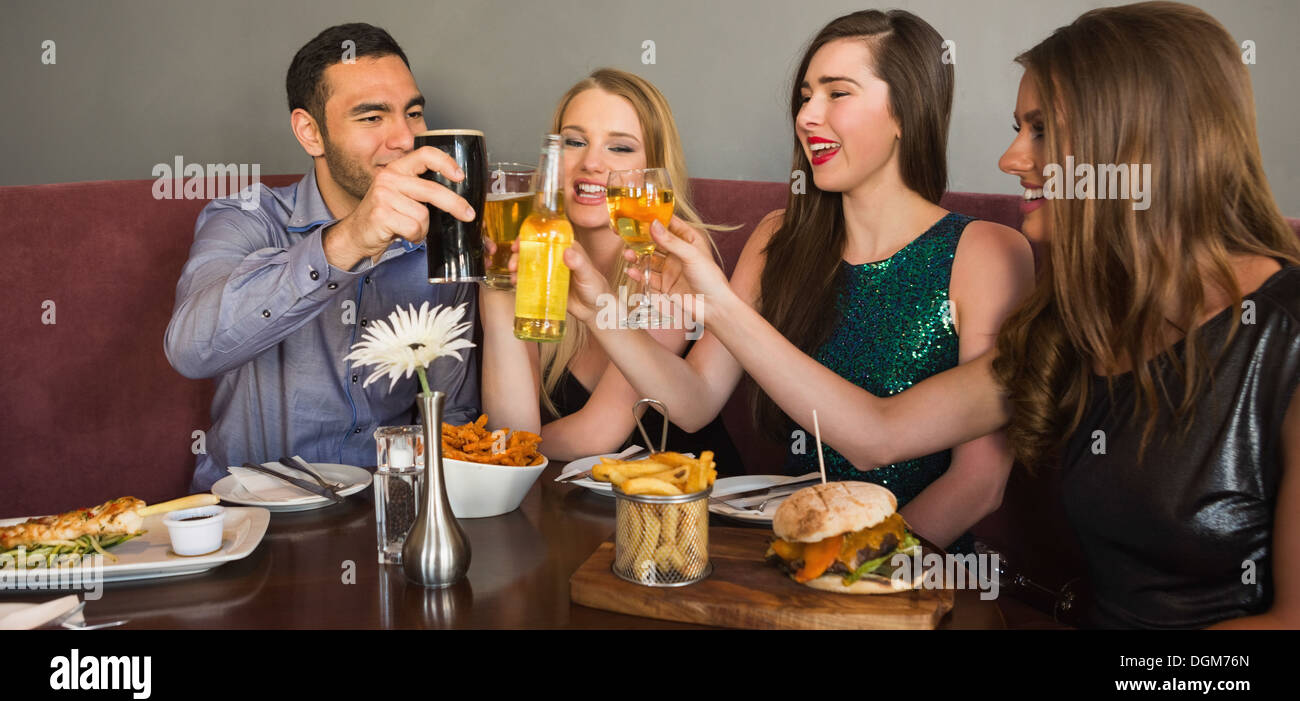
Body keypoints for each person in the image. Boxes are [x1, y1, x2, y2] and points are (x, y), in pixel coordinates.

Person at [604, 2, 1300, 629]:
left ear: (1137, 144)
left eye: (1040, 130)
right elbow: (880, 432)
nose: (1009, 158)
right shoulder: (1080, 323)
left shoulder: (1282, 332)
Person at [558, 11, 1036, 552]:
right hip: (786, 546)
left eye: (837, 93)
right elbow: (692, 404)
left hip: (913, 563)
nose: (807, 115)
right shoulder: (777, 238)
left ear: (906, 108)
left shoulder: (988, 252)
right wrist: (602, 310)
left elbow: (979, 484)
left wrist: (854, 569)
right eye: (806, 96)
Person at [165, 23, 481, 492]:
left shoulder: (443, 234)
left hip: (389, 510)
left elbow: (452, 416)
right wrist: (350, 240)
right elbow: (191, 349)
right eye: (372, 118)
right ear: (310, 132)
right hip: (254, 516)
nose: (403, 139)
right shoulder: (247, 218)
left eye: (412, 114)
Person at [481, 68, 741, 471]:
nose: (591, 163)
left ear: (653, 169)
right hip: (579, 514)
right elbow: (513, 428)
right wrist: (496, 286)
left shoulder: (670, 257)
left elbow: (597, 434)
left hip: (686, 508)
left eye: (619, 149)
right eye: (574, 142)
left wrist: (492, 452)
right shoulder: (533, 245)